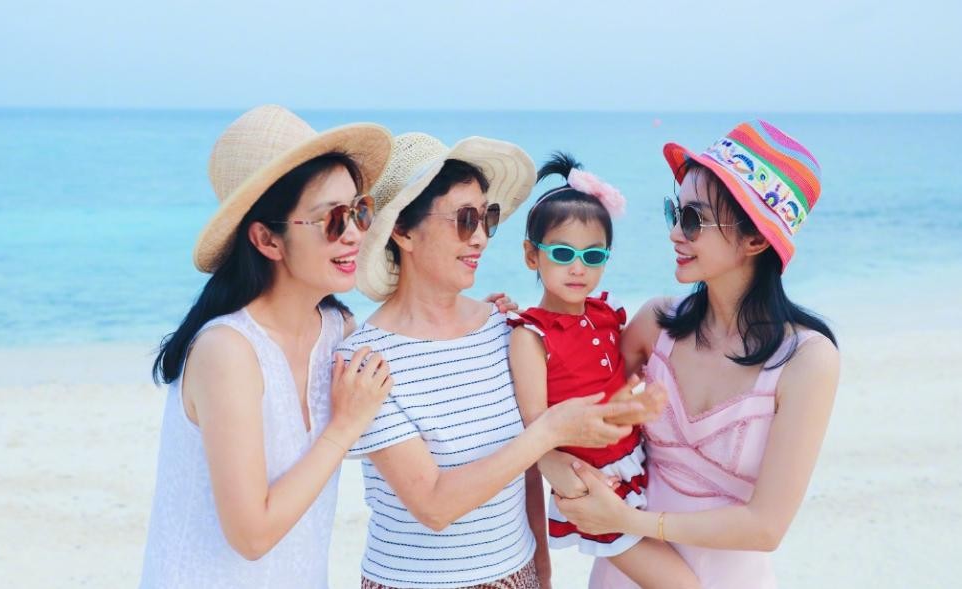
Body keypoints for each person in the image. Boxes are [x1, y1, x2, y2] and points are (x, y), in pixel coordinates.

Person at [339, 133, 659, 589]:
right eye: (464, 220)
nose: (481, 238)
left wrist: (541, 570)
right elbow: (434, 506)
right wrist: (550, 431)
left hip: (517, 574)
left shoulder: (502, 327)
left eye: (486, 218)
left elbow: (525, 470)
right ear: (403, 231)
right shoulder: (366, 360)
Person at [550, 120, 840, 588]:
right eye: (675, 212)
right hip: (625, 572)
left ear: (755, 239)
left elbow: (766, 528)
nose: (674, 234)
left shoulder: (807, 360)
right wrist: (515, 325)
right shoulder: (655, 324)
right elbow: (572, 401)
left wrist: (627, 521)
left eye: (694, 220)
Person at [140, 105, 394, 588]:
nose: (355, 234)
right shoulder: (227, 350)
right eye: (332, 220)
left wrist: (474, 318)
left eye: (359, 211)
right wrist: (342, 428)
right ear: (266, 240)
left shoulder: (337, 330)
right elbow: (251, 535)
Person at [508, 152, 699, 588]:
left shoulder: (605, 315)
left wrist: (636, 404)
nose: (578, 268)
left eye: (593, 256)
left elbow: (614, 386)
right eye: (562, 253)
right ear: (531, 255)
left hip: (636, 463)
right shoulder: (531, 334)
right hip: (591, 482)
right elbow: (536, 424)